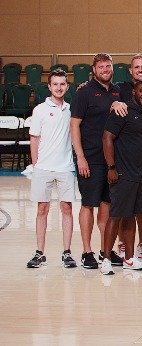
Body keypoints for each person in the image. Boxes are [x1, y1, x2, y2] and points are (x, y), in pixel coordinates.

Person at [71, 53, 121, 269]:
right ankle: (86, 251)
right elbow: (74, 127)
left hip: (112, 160)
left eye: (108, 66)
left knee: (107, 205)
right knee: (88, 205)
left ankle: (105, 251)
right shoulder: (84, 93)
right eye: (101, 67)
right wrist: (80, 157)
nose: (105, 69)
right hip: (90, 159)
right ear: (94, 70)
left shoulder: (118, 90)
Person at [100, 80, 142, 274]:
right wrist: (111, 167)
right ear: (133, 92)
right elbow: (107, 137)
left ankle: (129, 259)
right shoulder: (121, 111)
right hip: (122, 173)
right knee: (115, 216)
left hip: (139, 174)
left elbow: (133, 139)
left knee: (130, 216)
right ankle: (105, 259)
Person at [27, 69, 77, 269]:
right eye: (55, 84)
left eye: (62, 84)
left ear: (67, 86)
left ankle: (67, 252)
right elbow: (34, 138)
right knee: (42, 209)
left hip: (65, 167)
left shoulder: (71, 110)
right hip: (44, 168)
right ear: (49, 87)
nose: (58, 87)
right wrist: (36, 164)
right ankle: (40, 252)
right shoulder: (39, 110)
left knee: (67, 209)